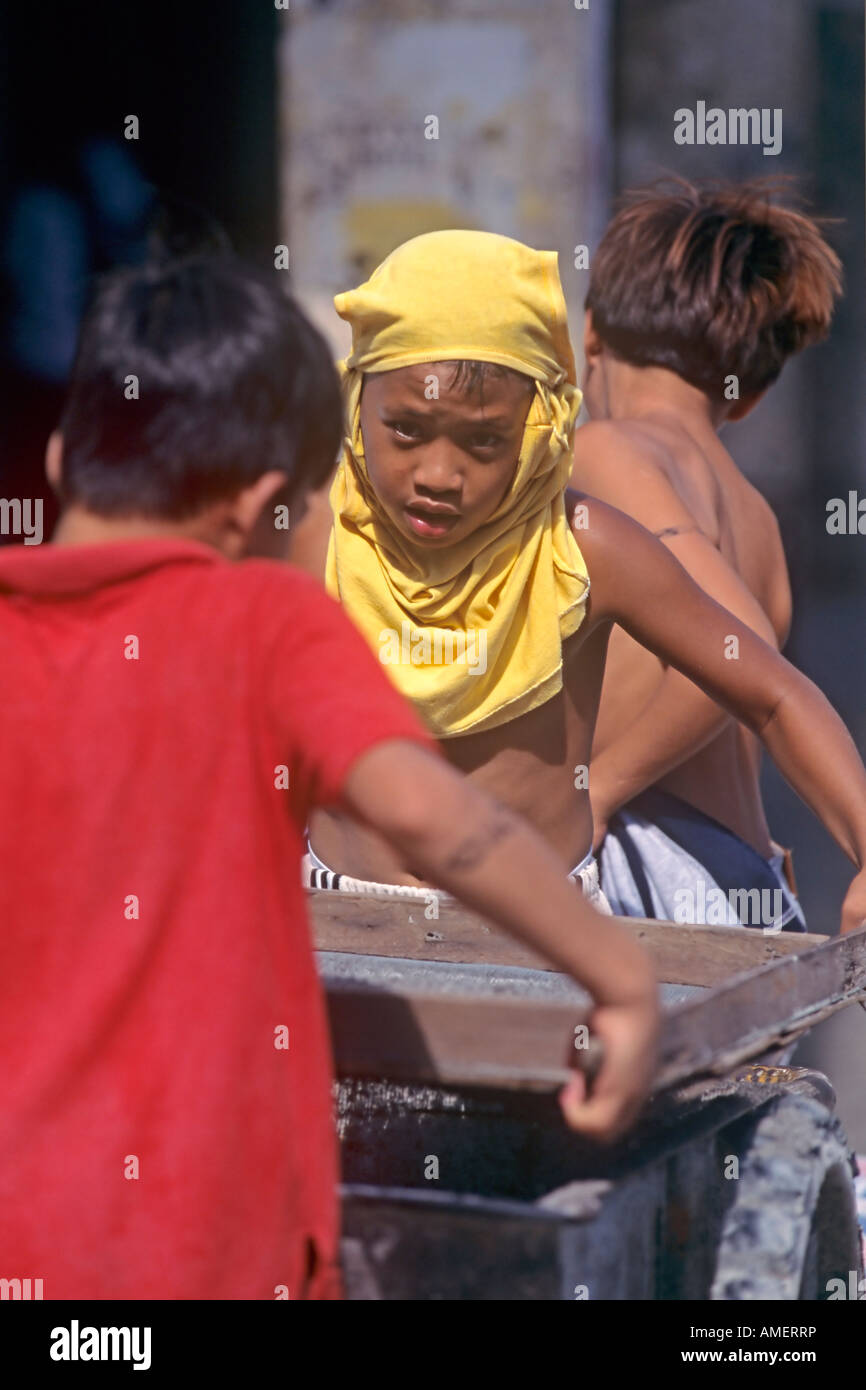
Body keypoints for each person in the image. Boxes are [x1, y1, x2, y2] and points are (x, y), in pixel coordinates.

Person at [0, 252, 661, 1302]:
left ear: (56, 462)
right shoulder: (264, 625)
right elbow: (435, 820)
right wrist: (618, 979)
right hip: (204, 1245)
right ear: (261, 503)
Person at [298, 228, 866, 939]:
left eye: (483, 442)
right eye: (407, 431)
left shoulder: (581, 548)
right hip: (335, 919)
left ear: (540, 427)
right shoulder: (314, 536)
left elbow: (774, 694)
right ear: (357, 402)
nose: (438, 476)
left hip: (543, 935)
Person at [571, 180, 843, 928]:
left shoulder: (607, 451)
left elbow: (739, 640)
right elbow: (764, 677)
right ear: (749, 397)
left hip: (648, 861)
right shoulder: (756, 516)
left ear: (590, 333)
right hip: (748, 882)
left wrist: (596, 793)